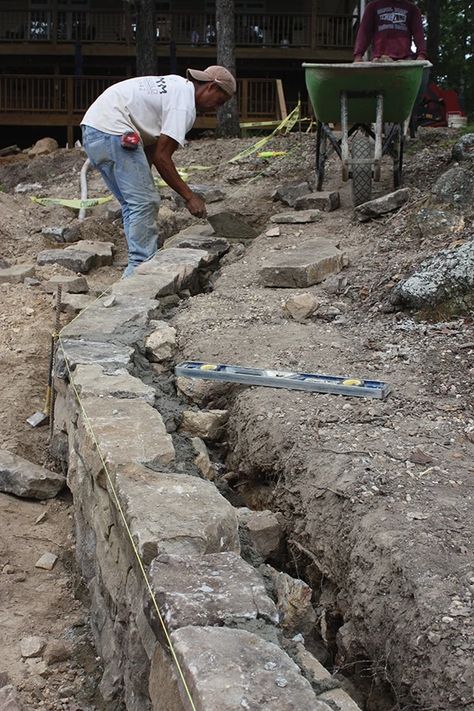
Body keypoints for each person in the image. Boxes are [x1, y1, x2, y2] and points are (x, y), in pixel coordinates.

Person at [81, 66, 236, 277]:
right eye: (219, 101)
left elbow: (153, 147)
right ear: (211, 87)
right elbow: (163, 157)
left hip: (95, 131)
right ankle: (140, 274)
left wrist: (145, 179)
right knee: (144, 202)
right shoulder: (185, 105)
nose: (217, 108)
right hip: (113, 130)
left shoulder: (176, 86)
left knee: (134, 204)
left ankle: (136, 266)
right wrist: (190, 197)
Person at [353, 0, 427, 62]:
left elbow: (418, 33)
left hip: (405, 59)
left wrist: (421, 55)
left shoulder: (412, 9)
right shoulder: (373, 7)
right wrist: (358, 55)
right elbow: (364, 31)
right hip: (380, 59)